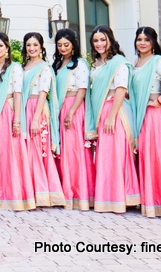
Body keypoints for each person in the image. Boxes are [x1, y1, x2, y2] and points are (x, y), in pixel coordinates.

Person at [86, 25, 139, 214]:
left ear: (110, 39)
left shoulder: (119, 62)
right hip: (102, 111)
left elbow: (121, 89)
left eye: (103, 39)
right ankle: (107, 197)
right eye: (96, 40)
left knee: (116, 154)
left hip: (115, 113)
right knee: (105, 155)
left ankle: (121, 197)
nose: (99, 44)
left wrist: (111, 116)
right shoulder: (96, 64)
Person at [129, 27, 161, 219]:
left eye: (147, 40)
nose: (142, 43)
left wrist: (159, 100)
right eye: (139, 39)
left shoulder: (158, 61)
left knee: (153, 156)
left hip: (152, 113)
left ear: (153, 42)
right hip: (139, 113)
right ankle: (146, 199)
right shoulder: (136, 62)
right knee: (143, 155)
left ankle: (159, 201)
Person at [0, 33, 34, 211]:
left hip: (6, 110)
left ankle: (11, 195)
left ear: (7, 48)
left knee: (8, 153)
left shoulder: (15, 68)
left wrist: (17, 120)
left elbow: (18, 94)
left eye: (1, 46)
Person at [21, 32, 64, 208]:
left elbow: (43, 93)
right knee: (27, 152)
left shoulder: (44, 67)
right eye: (28, 45)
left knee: (37, 152)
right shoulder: (24, 66)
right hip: (24, 108)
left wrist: (36, 119)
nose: (31, 48)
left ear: (41, 47)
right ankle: (29, 192)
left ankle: (42, 194)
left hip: (37, 109)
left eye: (35, 45)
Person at [52, 29, 93, 211]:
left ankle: (79, 194)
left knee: (75, 151)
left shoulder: (80, 64)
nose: (63, 48)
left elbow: (82, 90)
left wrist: (71, 112)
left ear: (73, 44)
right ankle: (65, 191)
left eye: (66, 44)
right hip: (61, 108)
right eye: (59, 45)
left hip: (74, 109)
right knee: (64, 152)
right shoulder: (58, 64)